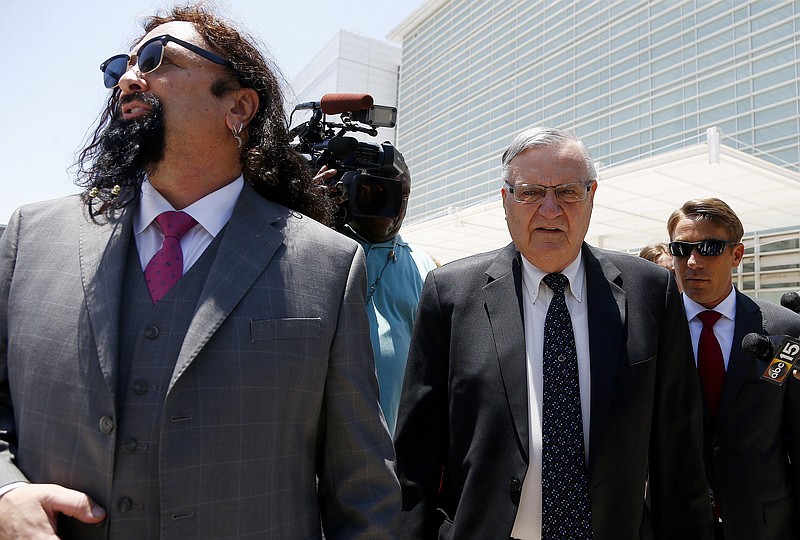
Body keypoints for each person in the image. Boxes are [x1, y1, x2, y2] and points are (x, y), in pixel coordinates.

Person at [0, 6, 400, 539]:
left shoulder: (325, 265)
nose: (127, 78)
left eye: (155, 58)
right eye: (119, 65)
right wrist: (3, 493)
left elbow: (363, 489)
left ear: (238, 105)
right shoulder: (30, 235)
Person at [394, 126, 712, 539]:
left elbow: (679, 457)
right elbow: (415, 459)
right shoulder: (449, 294)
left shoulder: (651, 291)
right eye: (529, 193)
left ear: (592, 195)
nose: (549, 210)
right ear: (505, 199)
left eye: (567, 192)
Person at [667, 198, 800, 540]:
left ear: (737, 256)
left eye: (709, 248)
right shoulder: (652, 331)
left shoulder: (784, 329)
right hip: (678, 521)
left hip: (766, 524)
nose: (693, 261)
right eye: (682, 249)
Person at [318, 159, 437, 435]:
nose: (393, 207)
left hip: (396, 451)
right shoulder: (316, 247)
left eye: (403, 194)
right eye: (377, 191)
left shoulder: (426, 267)